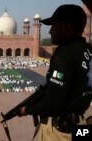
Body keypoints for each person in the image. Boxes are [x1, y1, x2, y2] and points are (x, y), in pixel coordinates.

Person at [17, 5, 92, 141]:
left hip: (60, 132)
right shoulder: (88, 51)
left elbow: (53, 103)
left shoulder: (65, 54)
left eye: (53, 26)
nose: (50, 31)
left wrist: (27, 110)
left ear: (66, 27)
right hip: (80, 124)